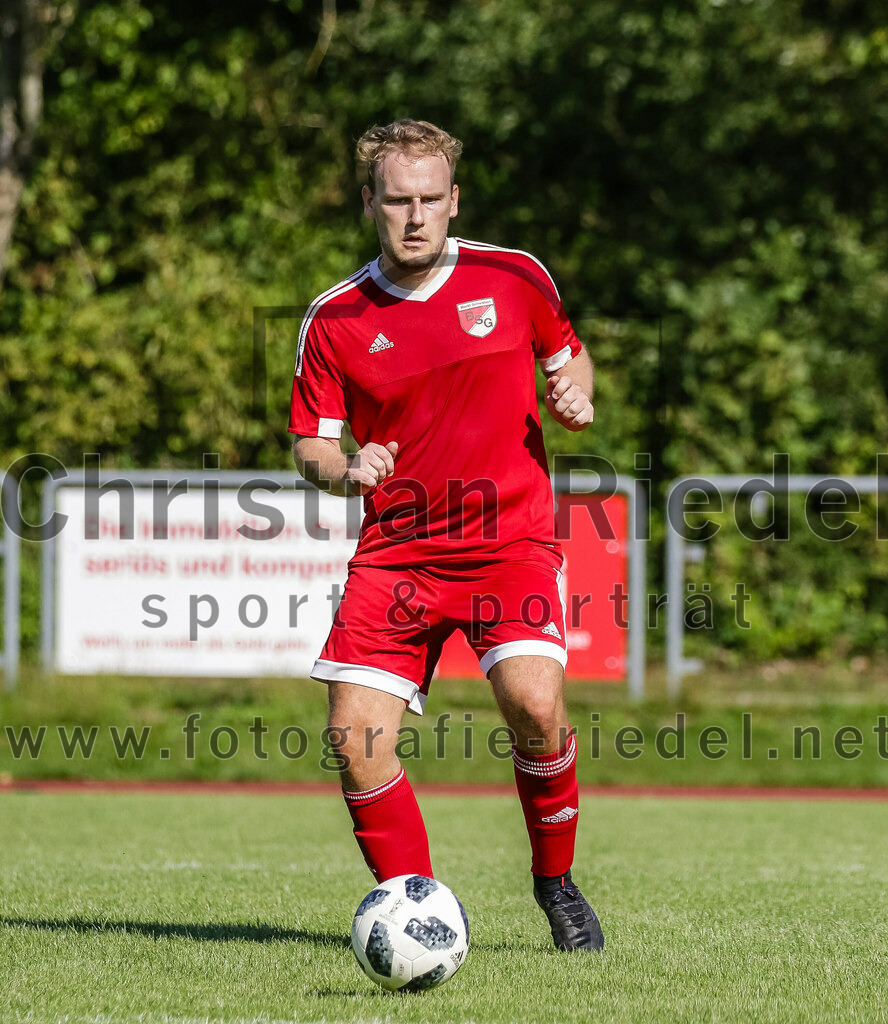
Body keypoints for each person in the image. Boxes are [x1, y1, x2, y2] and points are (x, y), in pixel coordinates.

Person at [289, 119, 603, 952]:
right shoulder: (334, 318)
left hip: (512, 540)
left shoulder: (513, 276)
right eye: (397, 201)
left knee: (535, 707)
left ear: (454, 198)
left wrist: (574, 390)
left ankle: (555, 882)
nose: (416, 216)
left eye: (431, 199)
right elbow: (309, 443)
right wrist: (345, 467)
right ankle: (414, 907)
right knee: (355, 741)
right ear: (370, 204)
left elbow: (568, 355)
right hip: (399, 552)